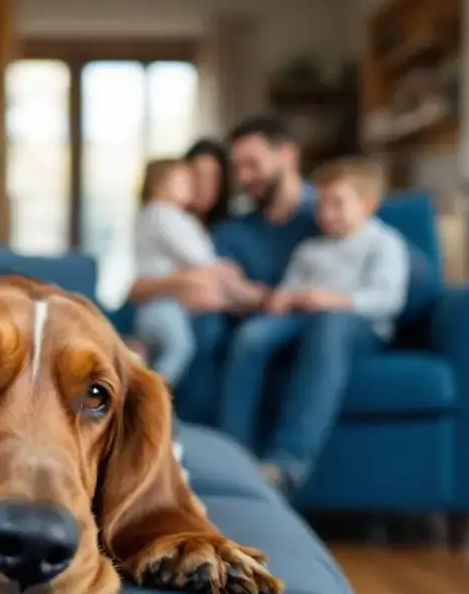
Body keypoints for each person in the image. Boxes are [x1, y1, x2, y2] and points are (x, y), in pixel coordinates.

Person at [218, 156, 410, 494]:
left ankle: (288, 462)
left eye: (338, 204)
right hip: (300, 318)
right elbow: (290, 289)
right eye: (321, 204)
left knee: (330, 324)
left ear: (368, 204)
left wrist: (329, 300)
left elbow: (387, 299)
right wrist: (281, 298)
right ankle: (233, 451)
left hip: (356, 326)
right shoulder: (310, 248)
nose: (326, 213)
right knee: (251, 336)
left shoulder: (384, 243)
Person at [132, 158, 263, 388]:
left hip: (166, 306)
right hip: (162, 305)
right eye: (183, 181)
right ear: (158, 185)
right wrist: (222, 268)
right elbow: (197, 255)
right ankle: (148, 397)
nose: (191, 186)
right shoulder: (162, 214)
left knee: (165, 351)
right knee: (179, 348)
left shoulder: (167, 216)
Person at [183, 138, 232, 229]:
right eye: (197, 176)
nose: (203, 186)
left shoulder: (231, 229)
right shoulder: (165, 223)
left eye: (212, 178)